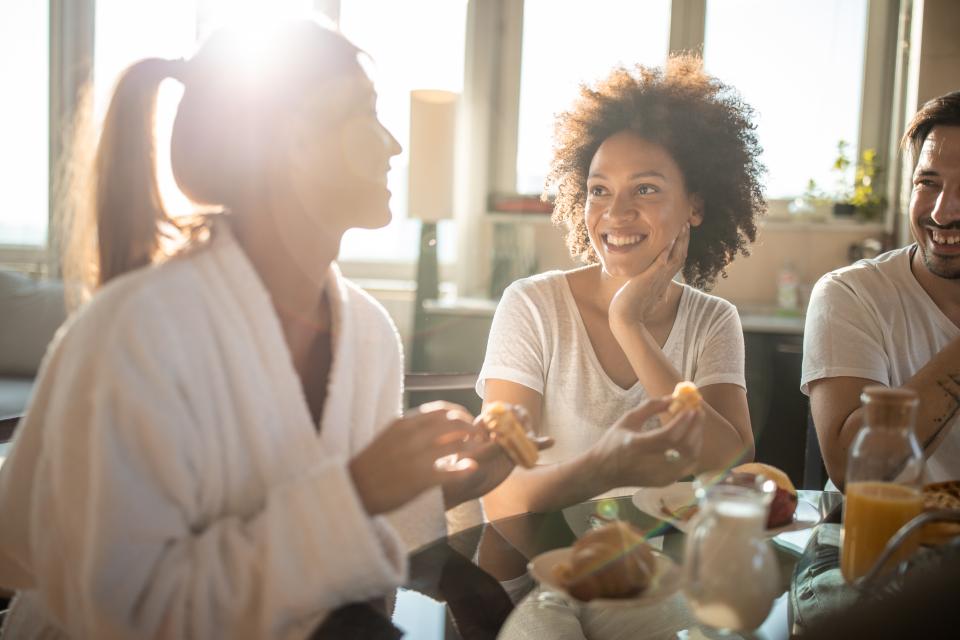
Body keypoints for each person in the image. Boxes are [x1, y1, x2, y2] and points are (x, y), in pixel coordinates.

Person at [0, 18, 524, 639]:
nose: (394, 146)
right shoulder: (136, 332)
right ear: (282, 144)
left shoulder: (369, 333)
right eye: (364, 114)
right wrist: (355, 492)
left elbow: (363, 539)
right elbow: (121, 609)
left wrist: (444, 489)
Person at [477, 54, 764, 519]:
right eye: (599, 190)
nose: (615, 213)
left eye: (646, 189)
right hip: (546, 567)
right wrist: (604, 469)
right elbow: (501, 496)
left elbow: (730, 461)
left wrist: (628, 324)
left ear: (695, 205)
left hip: (666, 569)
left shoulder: (712, 320)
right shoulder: (532, 306)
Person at [803, 91, 960, 487]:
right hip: (884, 544)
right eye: (928, 183)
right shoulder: (851, 294)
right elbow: (853, 470)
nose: (941, 213)